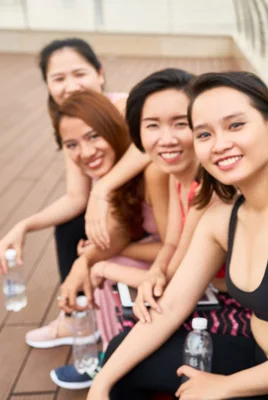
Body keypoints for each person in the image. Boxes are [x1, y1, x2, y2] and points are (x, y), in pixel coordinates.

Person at [88, 71, 268, 399]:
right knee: (121, 363)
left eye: (235, 125)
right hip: (256, 355)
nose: (220, 145)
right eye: (204, 134)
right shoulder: (223, 215)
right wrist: (101, 383)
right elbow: (171, 306)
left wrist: (223, 386)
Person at [85, 68, 255, 395]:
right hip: (207, 297)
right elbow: (173, 243)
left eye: (181, 123)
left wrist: (108, 267)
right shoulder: (179, 176)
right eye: (153, 126)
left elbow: (176, 280)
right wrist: (156, 272)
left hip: (238, 312)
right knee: (124, 344)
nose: (167, 138)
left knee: (125, 355)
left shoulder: (211, 186)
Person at [0, 38, 151, 347]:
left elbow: (150, 147)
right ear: (48, 86)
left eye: (79, 74)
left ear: (99, 73)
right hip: (125, 212)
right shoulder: (69, 122)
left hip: (149, 214)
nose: (71, 85)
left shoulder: (125, 107)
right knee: (69, 224)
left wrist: (103, 190)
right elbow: (75, 198)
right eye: (58, 78)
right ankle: (78, 313)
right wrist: (24, 225)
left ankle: (83, 309)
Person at [44, 90, 169, 389]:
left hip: (194, 272)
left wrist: (98, 259)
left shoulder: (151, 172)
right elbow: (119, 232)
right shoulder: (112, 172)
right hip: (164, 262)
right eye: (72, 144)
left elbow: (176, 248)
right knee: (97, 256)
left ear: (114, 129)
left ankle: (117, 361)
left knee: (110, 261)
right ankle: (111, 356)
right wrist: (84, 262)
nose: (85, 152)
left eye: (94, 136)